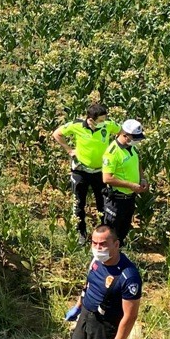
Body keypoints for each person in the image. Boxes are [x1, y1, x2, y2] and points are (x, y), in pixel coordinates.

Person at [52, 103, 121, 245]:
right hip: (80, 170)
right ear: (90, 119)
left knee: (103, 204)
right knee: (78, 203)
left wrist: (114, 151)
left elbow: (121, 132)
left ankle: (104, 234)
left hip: (100, 171)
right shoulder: (77, 125)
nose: (103, 122)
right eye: (100, 120)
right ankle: (80, 233)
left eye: (104, 119)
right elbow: (57, 134)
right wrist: (69, 150)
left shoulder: (108, 125)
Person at [101, 119, 148, 242]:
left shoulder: (132, 148)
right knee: (111, 233)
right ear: (125, 135)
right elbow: (107, 178)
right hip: (117, 200)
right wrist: (130, 185)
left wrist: (142, 178)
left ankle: (119, 251)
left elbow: (137, 163)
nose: (137, 141)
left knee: (124, 230)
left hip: (130, 198)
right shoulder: (112, 153)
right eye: (135, 138)